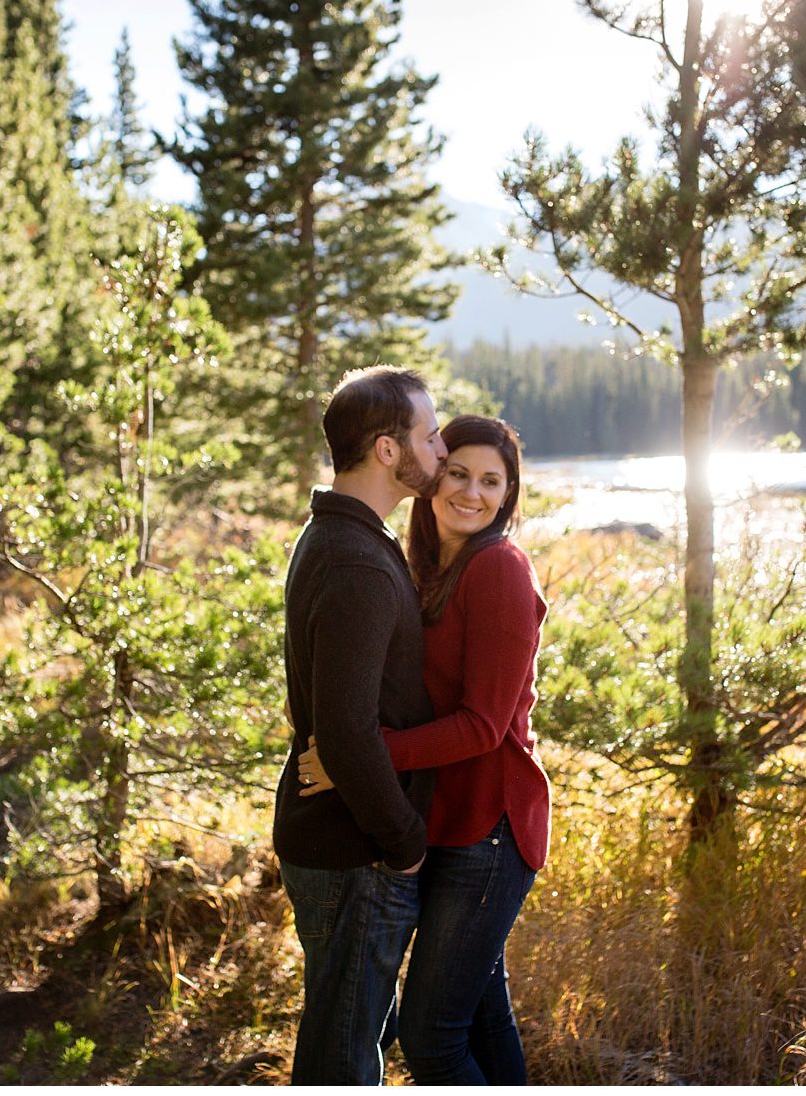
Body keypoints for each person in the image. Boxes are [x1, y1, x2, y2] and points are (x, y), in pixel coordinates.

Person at [299, 414, 551, 1085]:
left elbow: (483, 726)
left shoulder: (498, 565)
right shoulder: (423, 563)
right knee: (480, 1019)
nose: (472, 492)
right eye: (459, 473)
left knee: (431, 1037)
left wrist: (365, 755)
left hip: (488, 830)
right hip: (449, 821)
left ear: (509, 493)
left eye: (491, 481)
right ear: (433, 478)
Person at [273, 365, 448, 1086]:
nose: (439, 449)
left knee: (345, 1035)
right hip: (355, 851)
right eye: (429, 434)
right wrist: (405, 841)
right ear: (386, 449)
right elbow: (346, 732)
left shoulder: (336, 537)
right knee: (344, 1057)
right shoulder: (358, 563)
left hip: (339, 839)